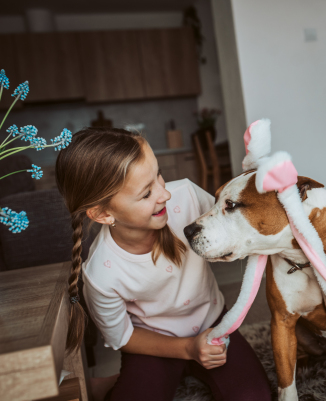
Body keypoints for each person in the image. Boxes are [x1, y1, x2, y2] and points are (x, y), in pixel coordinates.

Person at [55, 127, 271, 401]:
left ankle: (172, 372)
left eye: (158, 175)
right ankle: (123, 381)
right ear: (103, 213)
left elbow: (234, 228)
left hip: (213, 324)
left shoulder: (187, 197)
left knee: (255, 397)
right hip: (154, 344)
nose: (164, 194)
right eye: (146, 194)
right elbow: (123, 337)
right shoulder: (101, 272)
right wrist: (188, 349)